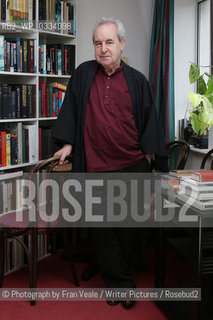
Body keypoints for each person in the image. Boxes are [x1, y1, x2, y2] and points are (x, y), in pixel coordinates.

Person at [52, 17, 167, 309]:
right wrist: (68, 143)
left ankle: (120, 277)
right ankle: (122, 286)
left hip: (132, 165)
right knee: (102, 230)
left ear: (121, 44)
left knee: (128, 230)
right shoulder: (82, 74)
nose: (103, 48)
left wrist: (149, 157)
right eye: (98, 43)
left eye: (109, 42)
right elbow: (72, 111)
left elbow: (149, 122)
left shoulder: (137, 80)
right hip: (95, 167)